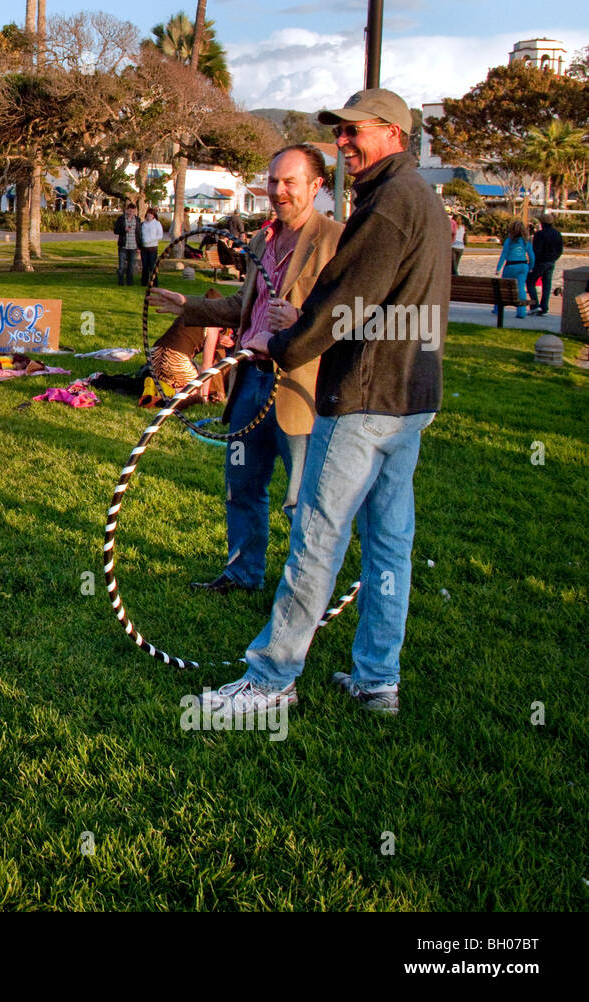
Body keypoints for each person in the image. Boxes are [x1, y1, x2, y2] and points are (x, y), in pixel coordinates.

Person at [193, 88, 447, 717]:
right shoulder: (420, 200)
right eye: (338, 132)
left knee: (317, 534)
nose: (343, 142)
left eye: (353, 131)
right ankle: (375, 680)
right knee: (389, 540)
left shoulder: (388, 205)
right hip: (409, 397)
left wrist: (282, 344)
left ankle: (271, 679)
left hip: (364, 397)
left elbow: (340, 302)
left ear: (391, 131)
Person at [151, 145, 344, 594]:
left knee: (301, 500)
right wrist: (190, 305)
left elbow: (349, 315)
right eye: (273, 180)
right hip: (249, 381)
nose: (278, 190)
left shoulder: (336, 240)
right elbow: (244, 306)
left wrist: (301, 323)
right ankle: (242, 574)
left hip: (299, 387)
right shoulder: (262, 240)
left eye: (289, 182)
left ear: (316, 186)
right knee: (242, 485)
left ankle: (303, 594)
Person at [496, 220, 533, 319]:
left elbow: (504, 254)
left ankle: (497, 309)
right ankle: (521, 312)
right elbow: (531, 255)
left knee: (503, 287)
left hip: (511, 265)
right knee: (521, 288)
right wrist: (531, 267)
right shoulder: (526, 241)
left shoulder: (509, 240)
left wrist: (498, 268)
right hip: (523, 265)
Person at [528, 214, 562, 316]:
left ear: (542, 223)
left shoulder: (540, 234)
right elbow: (560, 250)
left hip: (541, 262)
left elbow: (536, 251)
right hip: (551, 261)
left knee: (530, 281)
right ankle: (544, 307)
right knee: (547, 285)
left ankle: (535, 305)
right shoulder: (557, 234)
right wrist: (553, 258)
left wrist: (534, 263)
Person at [112, 203, 143, 286]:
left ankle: (130, 282)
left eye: (133, 211)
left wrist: (140, 246)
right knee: (121, 266)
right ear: (127, 210)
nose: (131, 213)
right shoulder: (121, 219)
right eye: (129, 211)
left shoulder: (137, 220)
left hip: (133, 247)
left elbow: (139, 234)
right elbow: (115, 231)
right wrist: (124, 229)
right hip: (123, 246)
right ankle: (121, 282)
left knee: (131, 266)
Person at [139, 209, 164, 286]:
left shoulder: (157, 224)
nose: (149, 216)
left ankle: (154, 282)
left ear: (153, 216)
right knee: (145, 266)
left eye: (150, 215)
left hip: (152, 247)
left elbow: (160, 235)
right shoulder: (143, 224)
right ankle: (144, 282)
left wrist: (149, 240)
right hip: (144, 248)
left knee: (152, 265)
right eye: (147, 215)